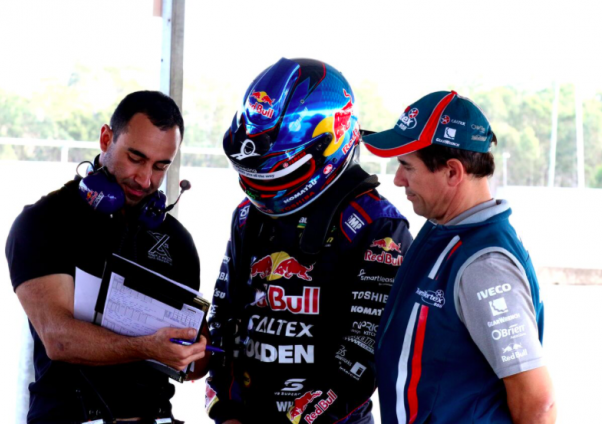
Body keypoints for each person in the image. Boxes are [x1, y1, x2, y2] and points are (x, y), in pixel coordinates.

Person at [204, 58, 413, 424]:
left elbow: (364, 354)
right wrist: (223, 408)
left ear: (333, 140)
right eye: (255, 170)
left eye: (277, 168)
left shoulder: (378, 227)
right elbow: (224, 315)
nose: (263, 182)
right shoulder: (246, 215)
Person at [6, 91, 209, 424]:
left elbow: (193, 364)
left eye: (161, 166)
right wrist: (148, 346)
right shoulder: (44, 222)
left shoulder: (177, 240)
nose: (145, 180)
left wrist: (194, 353)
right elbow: (59, 339)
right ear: (106, 138)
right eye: (136, 158)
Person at [364, 90, 556, 424]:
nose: (397, 180)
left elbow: (538, 401)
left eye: (406, 166)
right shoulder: (443, 227)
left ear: (453, 172)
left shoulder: (485, 265)